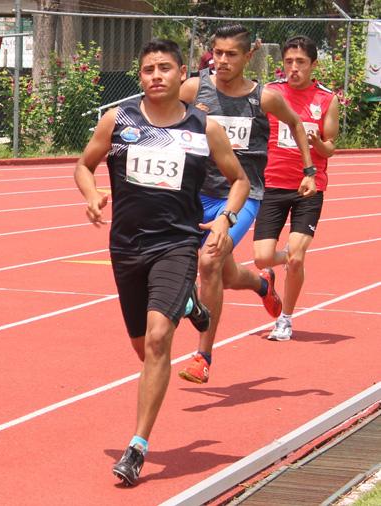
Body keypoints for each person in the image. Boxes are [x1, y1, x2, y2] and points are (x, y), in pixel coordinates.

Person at [74, 39, 249, 486]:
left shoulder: (203, 127)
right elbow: (83, 165)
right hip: (126, 248)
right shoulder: (119, 120)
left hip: (175, 245)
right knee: (142, 349)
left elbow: (240, 181)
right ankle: (189, 305)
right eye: (148, 69)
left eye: (165, 68)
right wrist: (92, 194)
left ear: (182, 73)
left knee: (157, 342)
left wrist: (226, 220)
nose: (156, 75)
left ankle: (137, 446)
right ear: (140, 77)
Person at [177, 25, 315, 384]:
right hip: (196, 193)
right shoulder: (194, 89)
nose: (222, 61)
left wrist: (309, 170)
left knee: (208, 262)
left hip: (242, 194)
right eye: (217, 53)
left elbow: (297, 124)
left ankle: (203, 355)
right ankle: (262, 284)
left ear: (247, 57)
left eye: (231, 55)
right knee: (222, 273)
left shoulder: (263, 98)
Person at [254, 36, 339, 341]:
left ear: (313, 65)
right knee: (262, 258)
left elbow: (330, 148)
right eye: (289, 62)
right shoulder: (272, 93)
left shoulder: (327, 99)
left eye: (300, 62)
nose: (293, 68)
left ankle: (285, 319)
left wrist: (319, 144)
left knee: (298, 257)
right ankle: (276, 272)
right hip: (272, 184)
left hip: (309, 187)